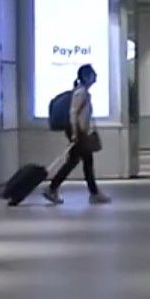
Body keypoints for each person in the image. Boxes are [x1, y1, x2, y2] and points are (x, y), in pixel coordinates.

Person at [44, 64, 111, 205]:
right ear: (86, 77)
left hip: (79, 131)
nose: (95, 76)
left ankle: (55, 188)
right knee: (80, 161)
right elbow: (73, 113)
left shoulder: (83, 92)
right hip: (77, 132)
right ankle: (53, 188)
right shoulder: (80, 93)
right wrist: (75, 133)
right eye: (93, 74)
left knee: (80, 161)